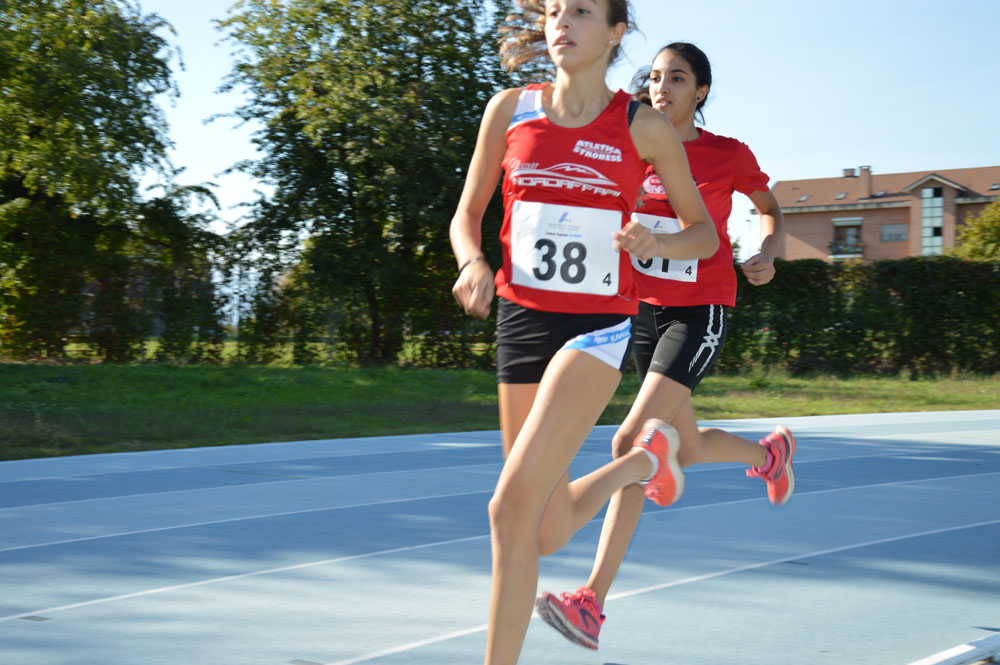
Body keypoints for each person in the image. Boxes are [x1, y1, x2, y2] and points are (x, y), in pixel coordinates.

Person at [449, 2, 720, 663]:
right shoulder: (509, 110)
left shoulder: (641, 125)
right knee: (539, 530)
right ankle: (640, 463)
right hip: (520, 320)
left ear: (615, 33)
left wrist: (656, 240)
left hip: (595, 329)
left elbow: (704, 235)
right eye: (555, 10)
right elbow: (467, 214)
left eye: (582, 11)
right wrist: (472, 261)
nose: (563, 22)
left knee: (506, 510)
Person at [534, 41, 796, 651]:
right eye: (654, 77)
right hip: (641, 311)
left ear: (700, 91)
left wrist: (767, 251)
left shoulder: (727, 154)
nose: (661, 88)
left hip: (699, 309)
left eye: (676, 78)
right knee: (688, 445)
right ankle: (769, 456)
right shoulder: (633, 146)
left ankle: (590, 602)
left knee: (633, 441)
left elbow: (769, 210)